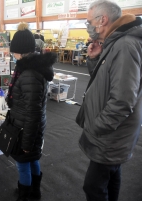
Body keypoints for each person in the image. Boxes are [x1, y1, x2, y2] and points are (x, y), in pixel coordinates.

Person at [76, 1, 142, 200]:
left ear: (102, 20)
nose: (87, 26)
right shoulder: (115, 43)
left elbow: (123, 100)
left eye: (89, 22)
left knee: (93, 187)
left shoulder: (124, 45)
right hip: (113, 132)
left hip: (111, 134)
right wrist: (96, 59)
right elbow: (104, 82)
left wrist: (98, 127)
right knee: (111, 176)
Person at [8, 22, 57, 201]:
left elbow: (33, 112)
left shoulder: (29, 73)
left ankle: (26, 195)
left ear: (20, 51)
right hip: (29, 125)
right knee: (33, 159)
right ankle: (34, 192)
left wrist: (27, 142)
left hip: (27, 128)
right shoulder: (31, 68)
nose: (12, 55)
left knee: (23, 163)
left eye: (14, 51)